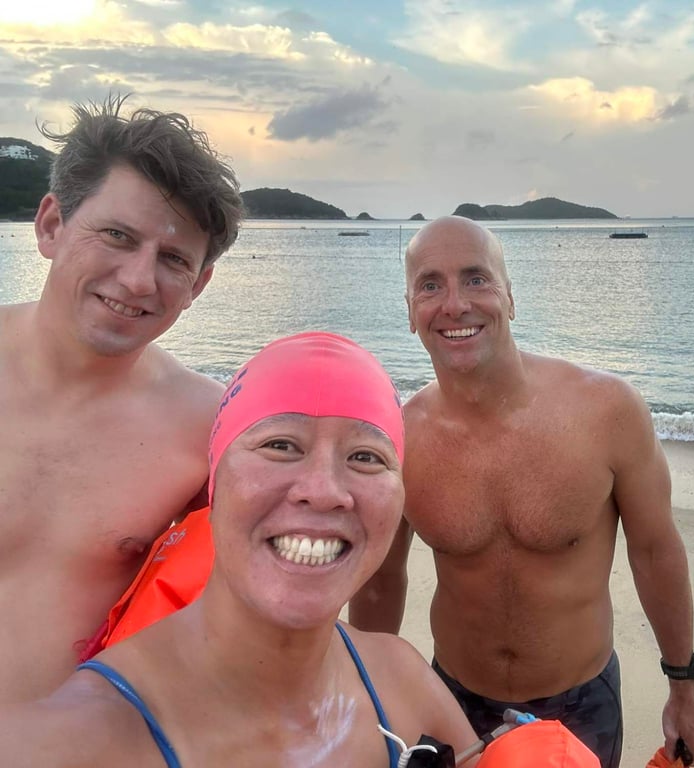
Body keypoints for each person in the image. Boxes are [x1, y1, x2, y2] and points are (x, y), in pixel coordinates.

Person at [0, 332, 481, 767]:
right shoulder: (70, 740)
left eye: (365, 456)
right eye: (280, 445)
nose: (323, 489)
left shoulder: (401, 680)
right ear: (215, 482)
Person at [350, 216, 694, 767]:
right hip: (453, 700)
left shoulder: (606, 412)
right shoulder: (400, 438)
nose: (454, 304)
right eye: (430, 285)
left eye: (476, 279)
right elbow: (381, 581)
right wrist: (367, 693)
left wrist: (684, 685)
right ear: (409, 311)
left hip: (580, 703)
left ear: (510, 297)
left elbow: (655, 551)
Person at [0, 94, 244, 706]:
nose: (138, 280)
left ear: (200, 284)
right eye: (116, 235)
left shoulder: (210, 430)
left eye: (173, 259)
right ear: (52, 224)